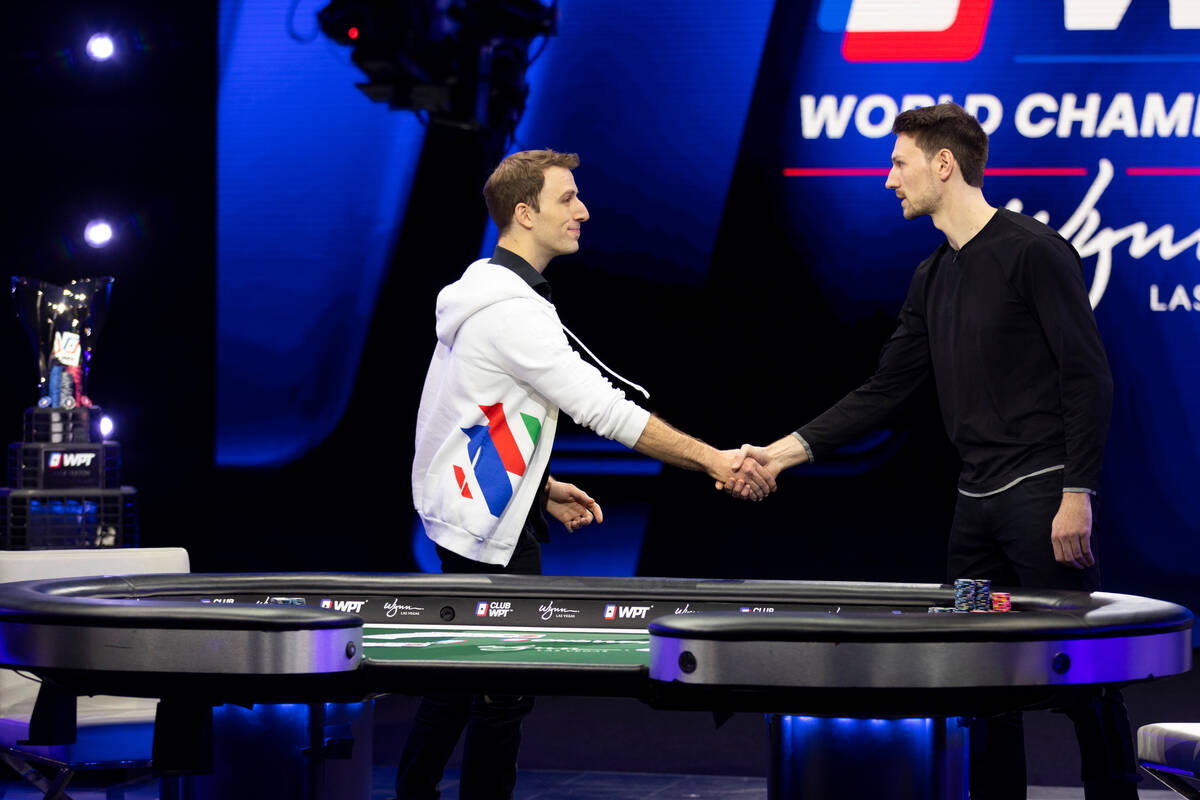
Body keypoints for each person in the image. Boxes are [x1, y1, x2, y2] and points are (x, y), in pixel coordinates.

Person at [728, 103, 1135, 799]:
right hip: (975, 520)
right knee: (980, 677)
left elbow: (1088, 375)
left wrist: (1078, 491)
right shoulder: (932, 276)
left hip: (1042, 505)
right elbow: (885, 389)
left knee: (1081, 677)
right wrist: (782, 453)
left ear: (943, 165)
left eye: (898, 163)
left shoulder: (1033, 250)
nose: (890, 180)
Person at [399, 148, 774, 800]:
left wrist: (538, 486)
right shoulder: (508, 309)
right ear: (524, 212)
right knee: (500, 693)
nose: (584, 210)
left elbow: (464, 415)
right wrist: (714, 459)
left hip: (475, 512)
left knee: (461, 672)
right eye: (567, 198)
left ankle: (413, 793)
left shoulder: (491, 295)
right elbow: (604, 409)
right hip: (484, 527)